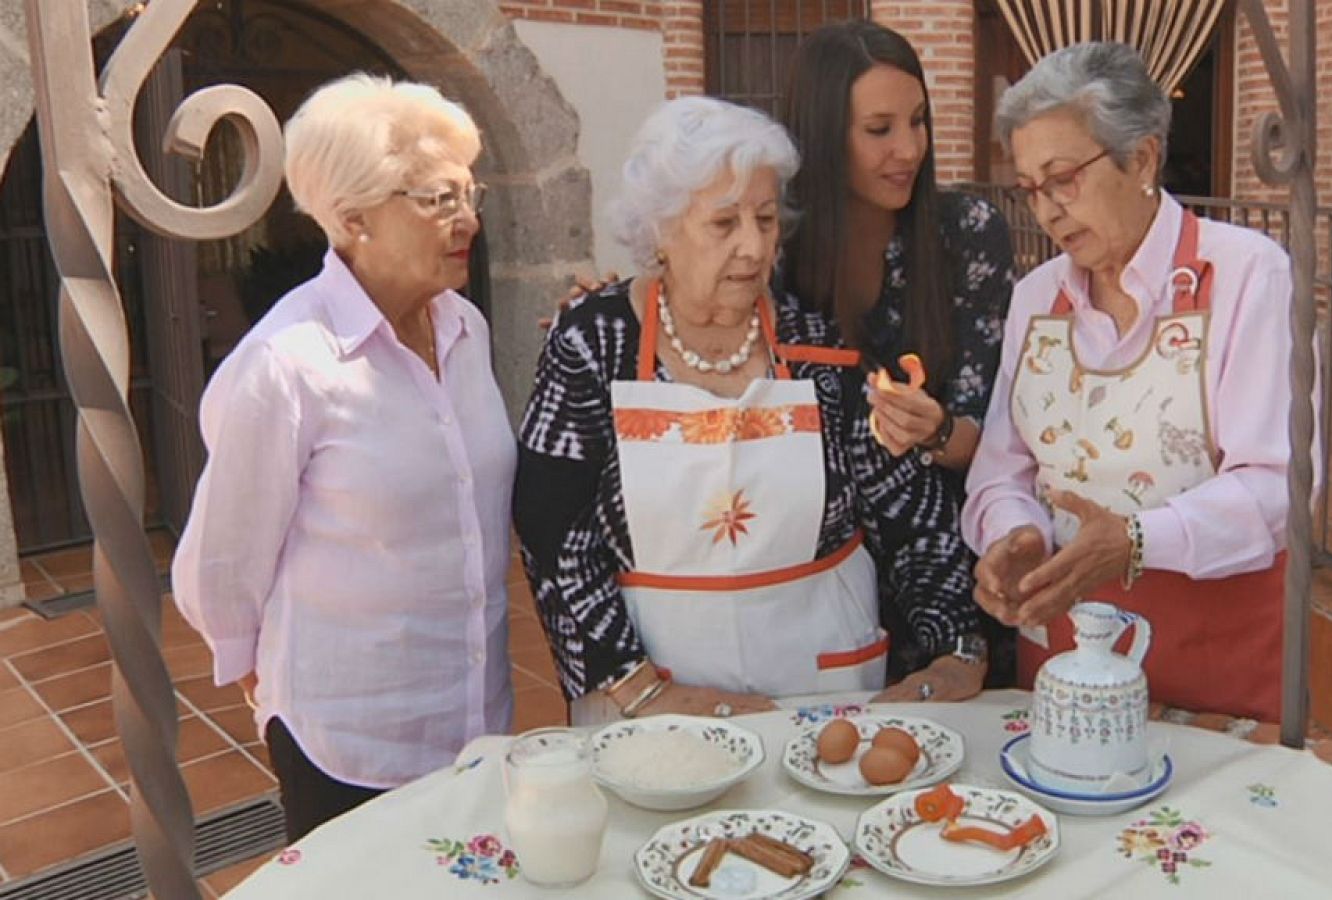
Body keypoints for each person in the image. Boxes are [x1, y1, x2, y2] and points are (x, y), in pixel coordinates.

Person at [513, 96, 985, 725]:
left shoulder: (816, 347)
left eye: (765, 220)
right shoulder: (596, 343)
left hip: (821, 691)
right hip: (650, 706)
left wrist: (956, 644)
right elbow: (554, 533)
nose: (753, 247)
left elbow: (905, 502)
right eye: (723, 223)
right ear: (660, 231)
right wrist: (637, 687)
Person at [172, 74, 513, 840]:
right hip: (351, 744)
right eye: (438, 200)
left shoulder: (465, 328)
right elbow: (221, 563)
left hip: (476, 722)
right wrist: (266, 684)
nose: (469, 220)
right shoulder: (288, 364)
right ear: (353, 218)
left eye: (468, 193)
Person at [963, 43, 1310, 722]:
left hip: (1214, 657)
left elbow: (1278, 485)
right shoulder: (1037, 298)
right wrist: (1018, 535)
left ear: (1143, 158)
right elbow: (999, 473)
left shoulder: (1246, 275)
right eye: (1031, 188)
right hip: (1065, 662)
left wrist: (1138, 539)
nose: (1047, 211)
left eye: (1063, 177)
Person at [779, 19, 1016, 683]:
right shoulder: (774, 252)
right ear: (824, 135)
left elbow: (995, 438)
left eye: (918, 121)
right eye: (879, 129)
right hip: (813, 585)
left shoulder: (967, 234)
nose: (909, 148)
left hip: (956, 584)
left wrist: (935, 431)